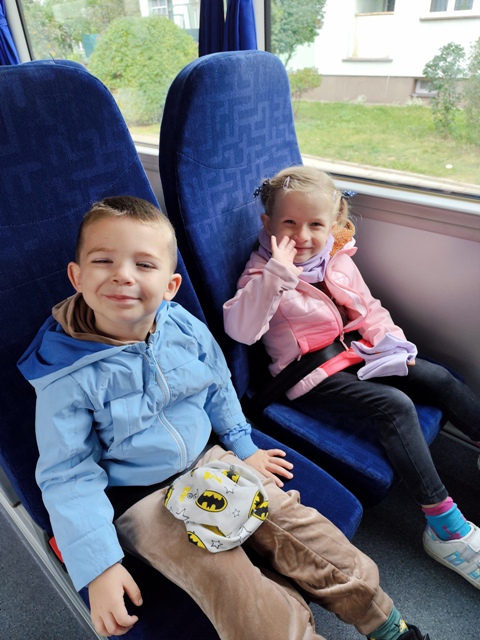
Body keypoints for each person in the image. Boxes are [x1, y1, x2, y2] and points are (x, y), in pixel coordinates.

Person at [17, 195, 429, 640]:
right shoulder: (66, 376)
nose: (123, 275)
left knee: (304, 533)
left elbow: (217, 385)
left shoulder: (182, 326)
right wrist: (99, 565)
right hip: (139, 498)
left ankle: (388, 626)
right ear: (77, 277)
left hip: (208, 460)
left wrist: (242, 444)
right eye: (103, 261)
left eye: (144, 264)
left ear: (170, 286)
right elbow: (68, 475)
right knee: (233, 587)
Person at [223, 165, 480, 591]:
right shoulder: (260, 274)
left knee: (437, 378)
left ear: (334, 223)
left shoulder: (337, 258)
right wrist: (277, 276)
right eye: (289, 223)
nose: (303, 236)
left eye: (315, 225)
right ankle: (446, 530)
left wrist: (392, 344)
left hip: (357, 352)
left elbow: (369, 307)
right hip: (309, 375)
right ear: (267, 223)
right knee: (394, 406)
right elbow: (241, 330)